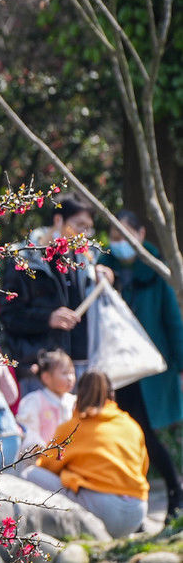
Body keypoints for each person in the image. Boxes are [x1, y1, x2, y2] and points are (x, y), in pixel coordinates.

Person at [110, 210, 183, 518]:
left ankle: (173, 494)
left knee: (145, 433)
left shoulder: (156, 270)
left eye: (124, 235)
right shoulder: (104, 269)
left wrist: (180, 365)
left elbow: (173, 322)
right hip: (118, 369)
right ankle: (138, 505)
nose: (118, 243)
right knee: (126, 436)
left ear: (140, 234)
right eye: (113, 237)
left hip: (151, 369)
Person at [0, 196, 113, 389]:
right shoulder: (24, 258)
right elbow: (9, 315)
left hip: (81, 366)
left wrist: (108, 281)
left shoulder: (85, 261)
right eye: (79, 225)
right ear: (58, 220)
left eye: (88, 228)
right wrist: (47, 318)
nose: (83, 234)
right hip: (41, 369)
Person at [25, 370, 150, 538]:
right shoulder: (130, 424)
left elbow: (47, 467)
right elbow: (142, 468)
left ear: (79, 394)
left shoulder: (72, 427)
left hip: (105, 513)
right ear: (111, 394)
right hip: (137, 511)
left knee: (30, 474)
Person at [14, 348, 78, 458]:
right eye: (65, 373)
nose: (70, 378)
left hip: (69, 458)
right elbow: (29, 432)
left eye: (72, 372)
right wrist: (41, 450)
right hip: (41, 460)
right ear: (46, 377)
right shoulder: (34, 401)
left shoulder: (74, 402)